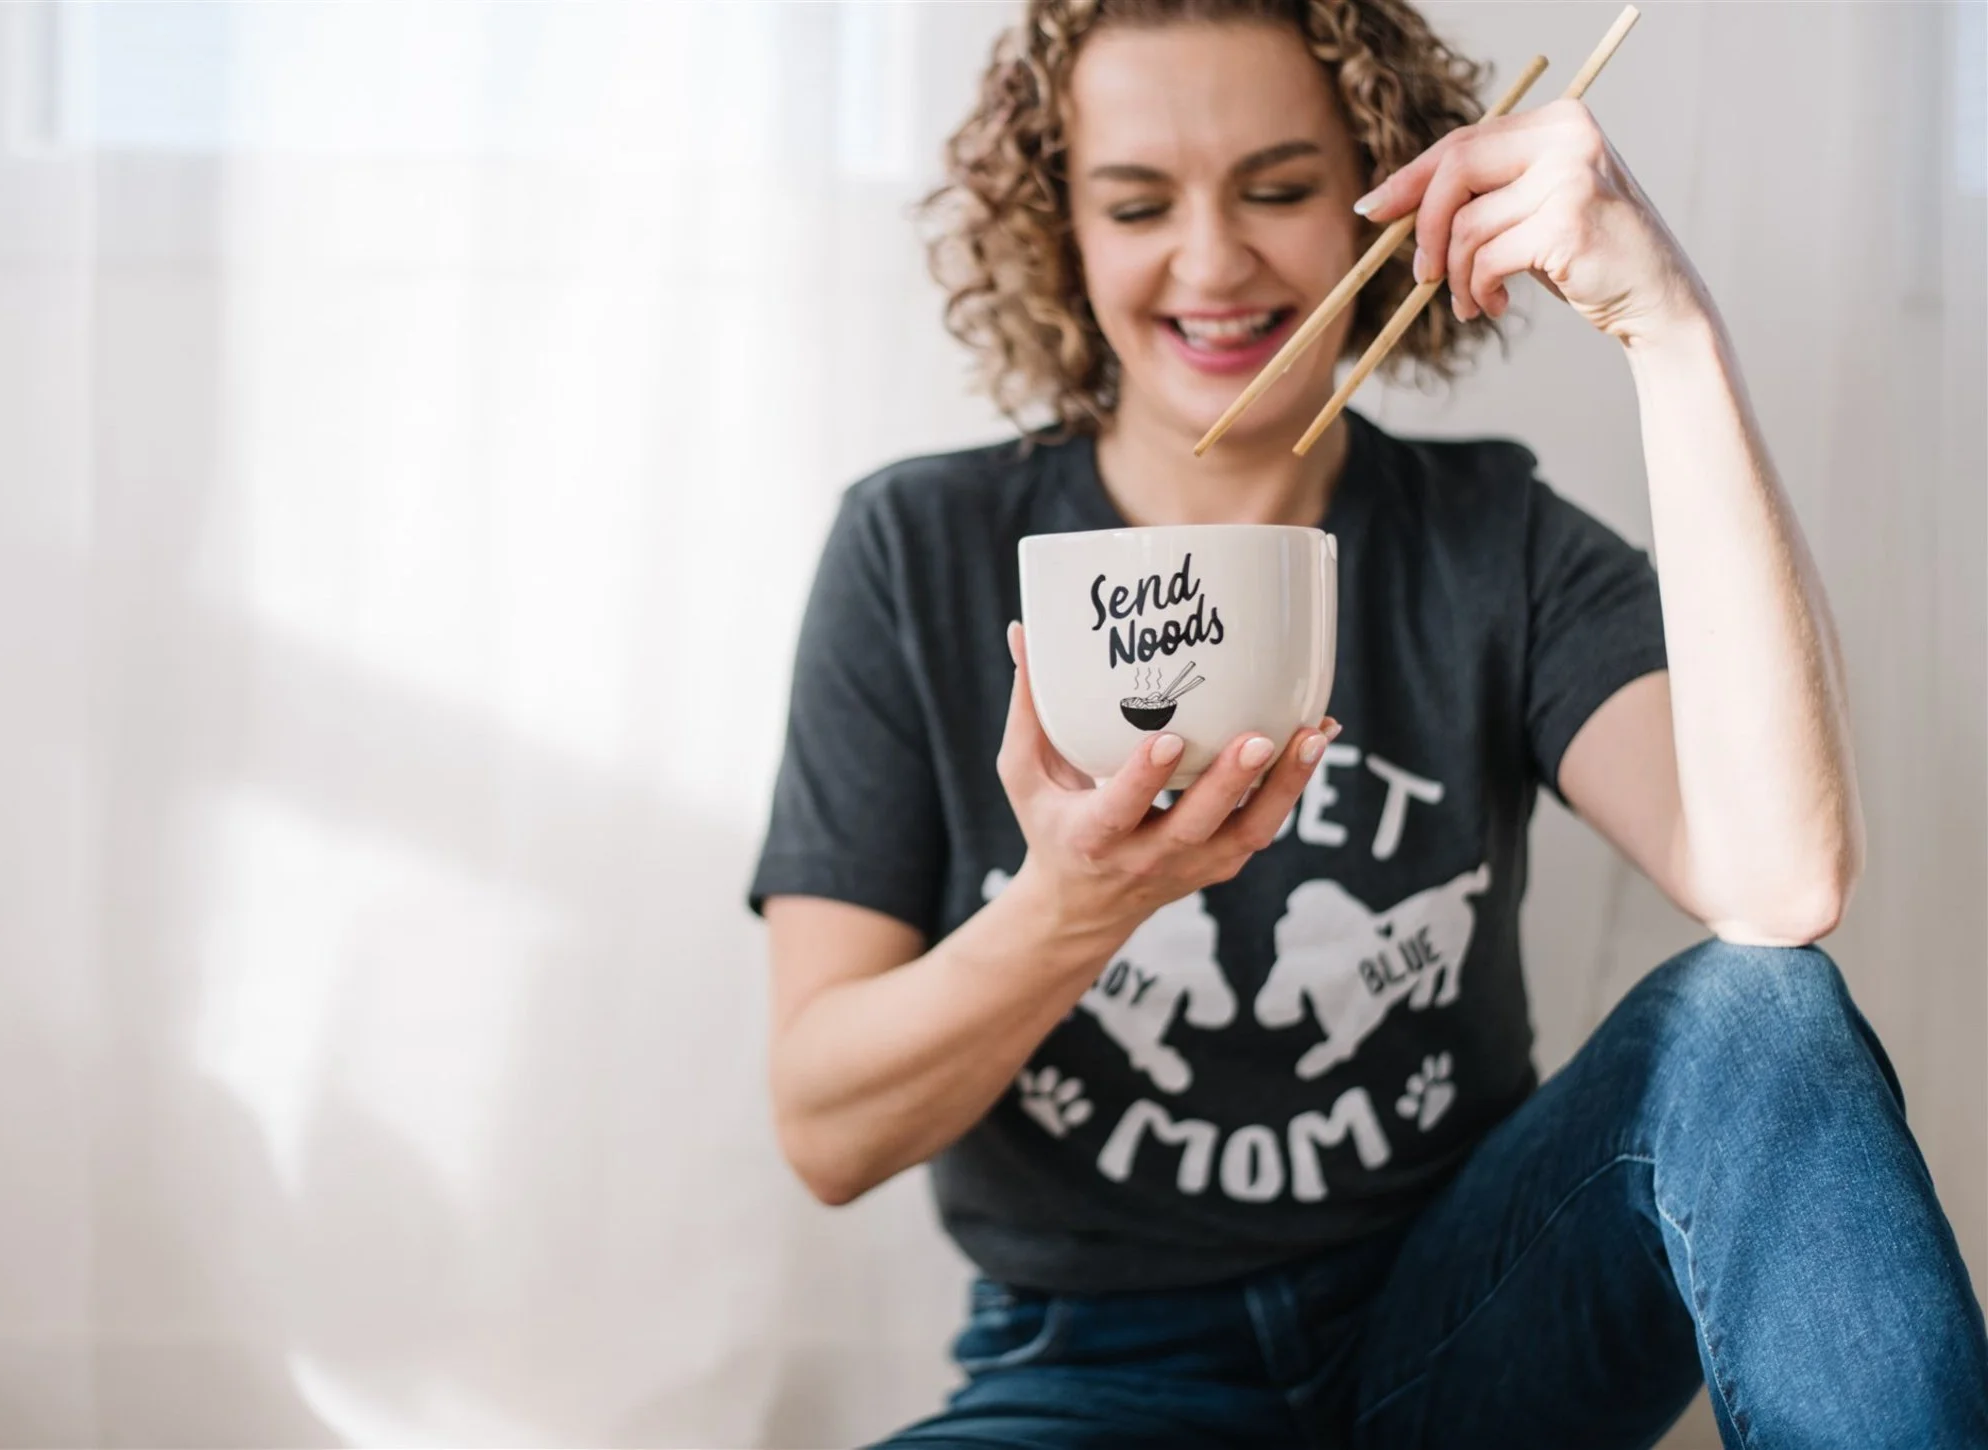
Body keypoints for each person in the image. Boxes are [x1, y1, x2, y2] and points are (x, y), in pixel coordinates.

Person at [746, 1, 1988, 1445]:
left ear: (1381, 193)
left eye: (1278, 189)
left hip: (1468, 1317)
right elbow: (827, 1128)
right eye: (1138, 202)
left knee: (1764, 1011)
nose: (1213, 263)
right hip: (1092, 1373)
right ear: (1058, 227)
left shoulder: (1492, 543)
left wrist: (1667, 325)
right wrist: (1072, 909)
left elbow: (1780, 883)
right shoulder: (918, 549)